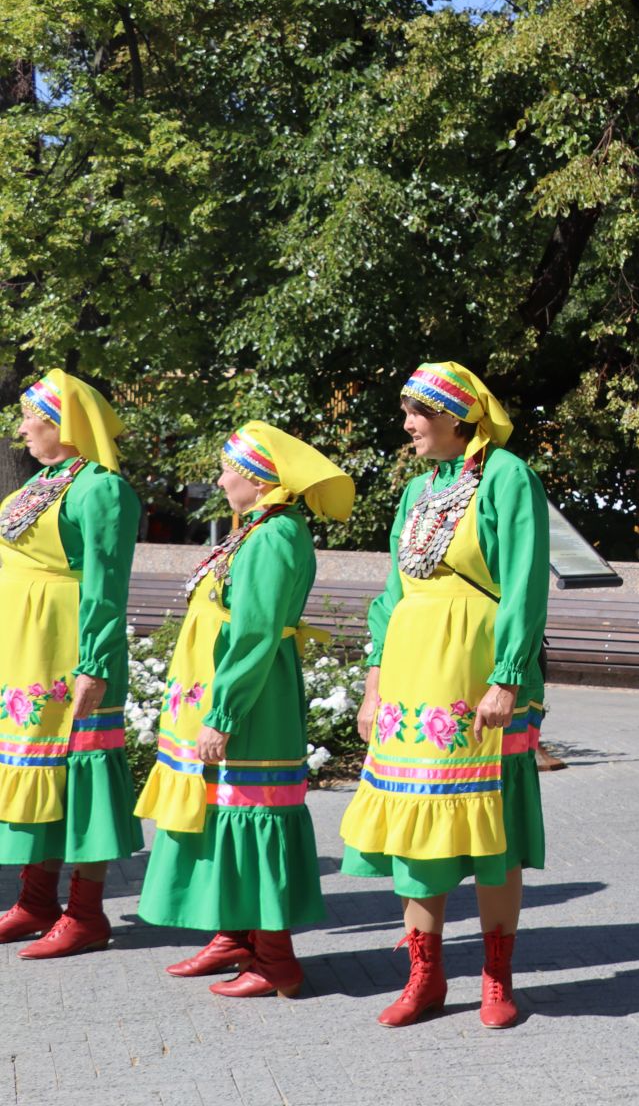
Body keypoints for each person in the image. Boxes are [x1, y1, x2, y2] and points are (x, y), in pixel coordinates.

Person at [339, 362, 549, 1028]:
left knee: (493, 829)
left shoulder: (508, 477)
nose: (408, 426)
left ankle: (496, 979)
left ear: (457, 417)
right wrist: (373, 685)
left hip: (475, 674)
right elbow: (394, 594)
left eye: (418, 414)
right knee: (416, 829)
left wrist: (507, 674)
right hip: (411, 681)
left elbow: (522, 582)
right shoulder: (417, 490)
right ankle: (424, 976)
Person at [135, 423, 355, 997]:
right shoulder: (254, 530)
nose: (220, 478)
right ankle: (235, 936)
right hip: (227, 693)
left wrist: (223, 713)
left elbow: (255, 634)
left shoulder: (276, 536)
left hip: (253, 702)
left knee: (253, 813)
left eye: (228, 468)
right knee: (220, 812)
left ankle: (276, 959)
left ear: (257, 480)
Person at [0, 371, 142, 958]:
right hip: (27, 649)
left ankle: (85, 912)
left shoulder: (100, 489)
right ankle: (35, 900)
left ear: (63, 425)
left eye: (32, 416)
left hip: (68, 649)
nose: (22, 426)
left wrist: (95, 663)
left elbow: (107, 586)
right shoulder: (49, 480)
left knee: (78, 775)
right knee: (38, 772)